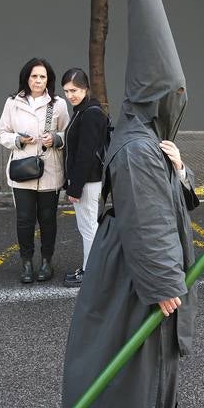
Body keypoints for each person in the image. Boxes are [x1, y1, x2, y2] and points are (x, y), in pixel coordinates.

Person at [61, 0, 199, 408]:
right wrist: (166, 284)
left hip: (139, 268)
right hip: (135, 275)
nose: (179, 101)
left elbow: (176, 203)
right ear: (155, 94)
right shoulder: (136, 146)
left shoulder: (152, 144)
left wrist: (183, 172)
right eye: (172, 93)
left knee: (136, 357)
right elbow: (146, 224)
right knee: (127, 356)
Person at [0, 58, 69, 284]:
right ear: (26, 78)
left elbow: (69, 133)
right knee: (24, 220)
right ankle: (26, 262)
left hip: (49, 171)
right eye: (34, 76)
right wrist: (18, 139)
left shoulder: (57, 105)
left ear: (49, 80)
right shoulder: (12, 103)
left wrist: (56, 138)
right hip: (22, 171)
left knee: (48, 220)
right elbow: (1, 133)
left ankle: (47, 262)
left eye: (42, 76)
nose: (38, 80)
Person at [60, 67, 110, 286]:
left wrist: (75, 187)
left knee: (89, 226)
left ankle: (90, 273)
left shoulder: (90, 114)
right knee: (87, 226)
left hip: (88, 181)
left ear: (86, 88)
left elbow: (86, 154)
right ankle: (90, 269)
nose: (71, 95)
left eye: (75, 90)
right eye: (67, 91)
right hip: (85, 180)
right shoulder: (82, 110)